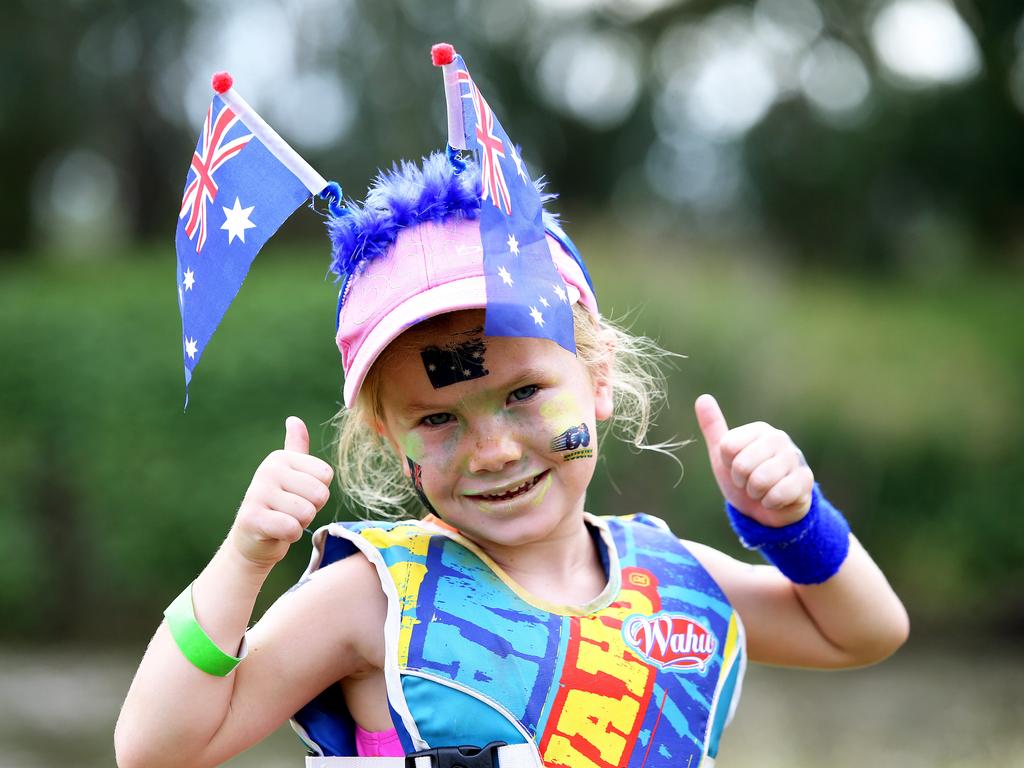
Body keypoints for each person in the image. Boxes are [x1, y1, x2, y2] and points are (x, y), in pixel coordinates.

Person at [116, 66, 908, 768]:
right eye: (437, 419)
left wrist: (793, 524)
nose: (492, 450)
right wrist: (246, 558)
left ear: (598, 379)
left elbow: (865, 631)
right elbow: (154, 749)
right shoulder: (368, 601)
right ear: (390, 442)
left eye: (524, 394)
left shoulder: (678, 583)